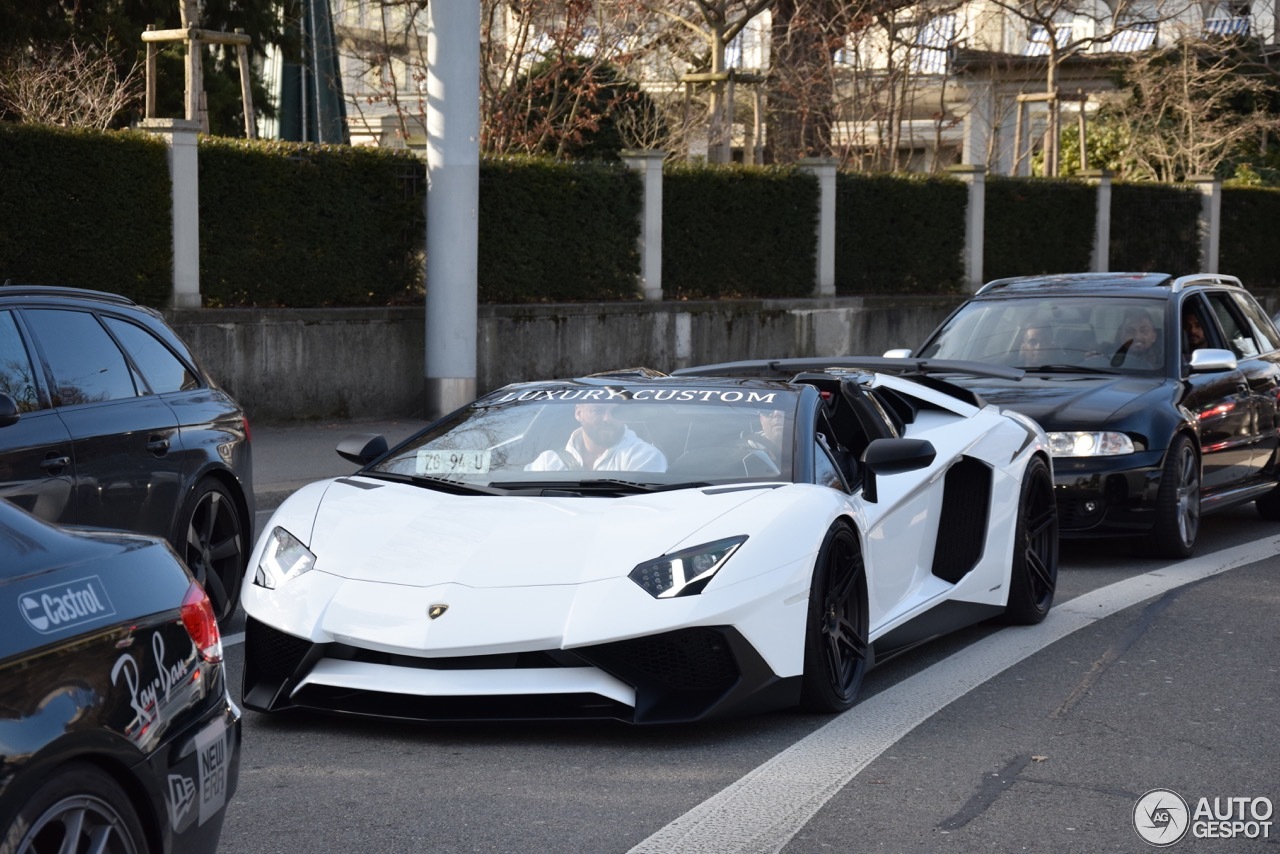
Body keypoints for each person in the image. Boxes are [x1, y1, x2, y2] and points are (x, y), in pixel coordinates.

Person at [526, 403, 667, 472]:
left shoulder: (644, 457)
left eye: (616, 411)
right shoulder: (548, 461)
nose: (607, 418)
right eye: (598, 410)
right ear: (578, 413)